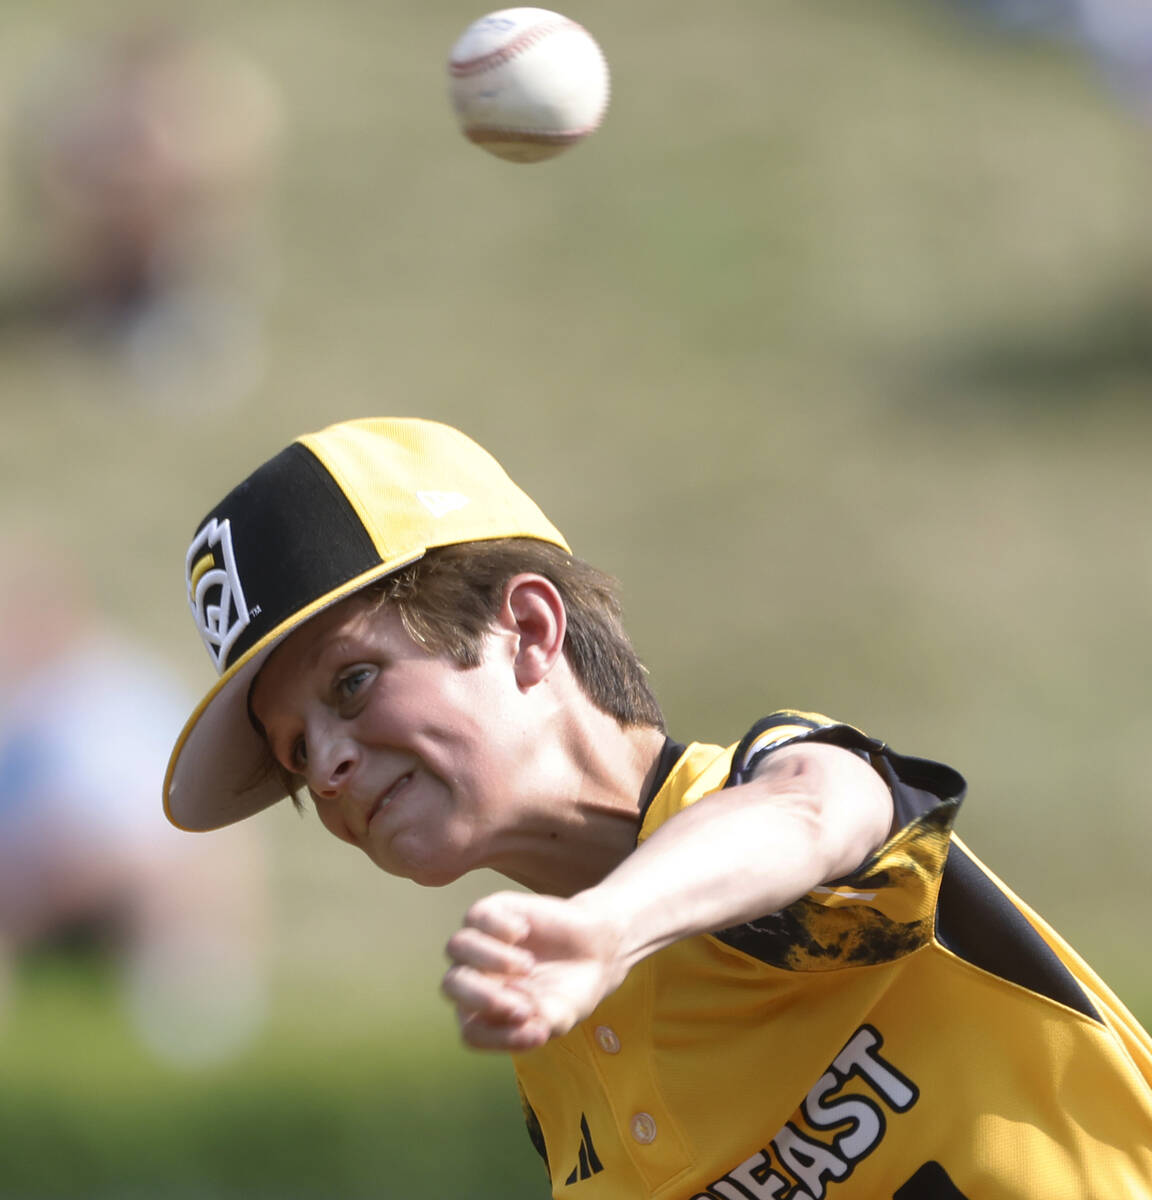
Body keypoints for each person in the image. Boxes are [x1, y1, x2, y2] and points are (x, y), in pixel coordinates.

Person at [164, 416, 1152, 1196]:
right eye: (295, 751)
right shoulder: (554, 1060)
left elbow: (817, 815)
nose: (327, 766)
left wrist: (606, 928)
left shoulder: (760, 791)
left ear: (529, 629)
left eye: (350, 684)